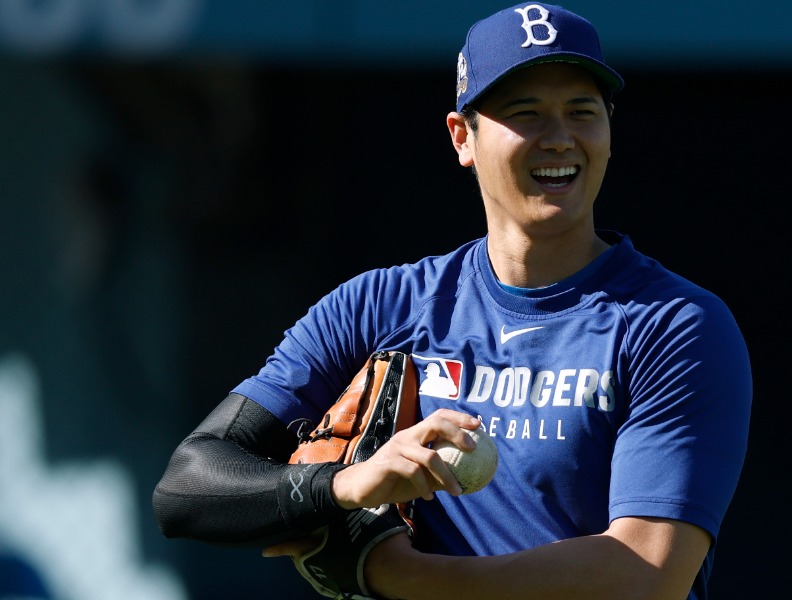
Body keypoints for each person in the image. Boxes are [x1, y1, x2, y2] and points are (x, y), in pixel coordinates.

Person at [152, 3, 752, 599]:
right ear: (462, 137)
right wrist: (341, 486)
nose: (560, 137)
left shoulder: (675, 325)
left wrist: (402, 576)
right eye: (527, 113)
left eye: (582, 111)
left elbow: (645, 576)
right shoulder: (377, 308)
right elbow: (187, 488)